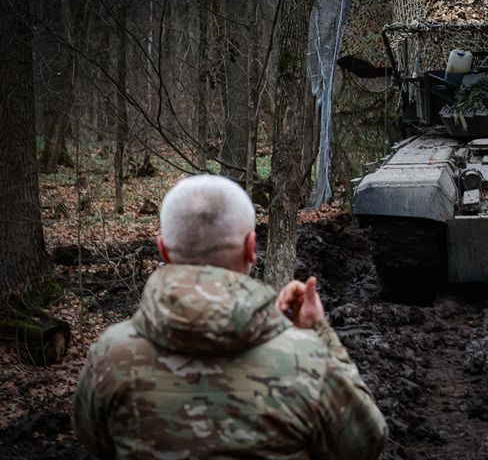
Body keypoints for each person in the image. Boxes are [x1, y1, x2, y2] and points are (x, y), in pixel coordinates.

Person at [73, 175, 387, 459]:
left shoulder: (110, 355)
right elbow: (365, 445)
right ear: (251, 248)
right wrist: (318, 332)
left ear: (163, 250)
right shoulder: (307, 359)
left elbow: (96, 443)